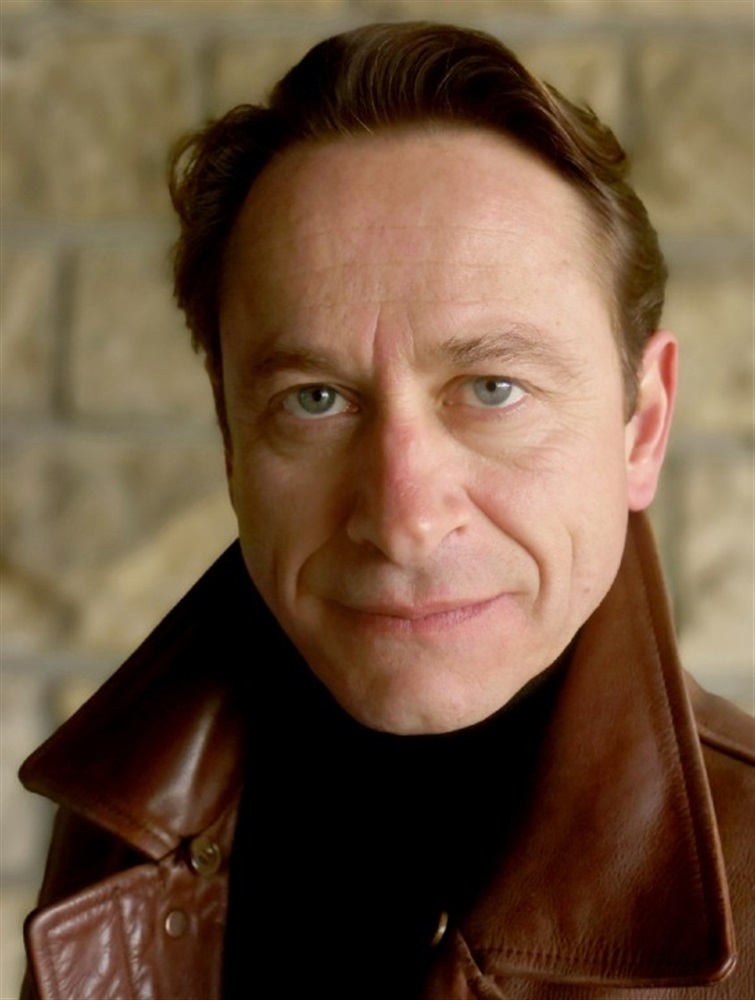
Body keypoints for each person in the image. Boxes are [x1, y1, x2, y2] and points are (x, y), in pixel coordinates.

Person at [19, 22, 753, 1000]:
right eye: (314, 399)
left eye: (491, 388)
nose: (403, 520)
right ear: (231, 441)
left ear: (641, 426)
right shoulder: (131, 817)